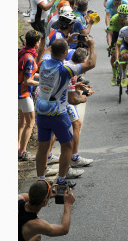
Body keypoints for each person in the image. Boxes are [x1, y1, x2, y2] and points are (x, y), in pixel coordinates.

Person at [34, 37, 97, 186]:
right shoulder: (66, 69)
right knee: (67, 145)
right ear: (64, 53)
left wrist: (64, 40)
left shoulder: (43, 62)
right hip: (58, 113)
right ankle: (61, 179)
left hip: (41, 111)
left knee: (42, 148)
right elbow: (91, 63)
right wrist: (92, 45)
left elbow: (48, 49)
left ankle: (40, 179)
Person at [64, 48, 95, 168]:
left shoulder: (67, 64)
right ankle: (74, 158)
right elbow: (72, 100)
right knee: (76, 124)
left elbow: (66, 85)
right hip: (60, 102)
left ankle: (49, 156)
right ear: (83, 60)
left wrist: (76, 86)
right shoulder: (73, 72)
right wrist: (83, 98)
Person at [18, 29, 41, 161]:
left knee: (22, 121)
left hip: (18, 90)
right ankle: (23, 152)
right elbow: (28, 80)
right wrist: (43, 84)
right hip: (23, 93)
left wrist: (42, 77)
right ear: (37, 43)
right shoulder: (30, 58)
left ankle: (18, 148)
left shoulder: (23, 52)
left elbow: (31, 75)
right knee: (31, 121)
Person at [107, 4, 128, 85]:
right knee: (114, 56)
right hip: (116, 35)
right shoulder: (114, 19)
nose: (122, 18)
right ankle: (114, 76)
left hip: (127, 35)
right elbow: (110, 34)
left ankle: (127, 66)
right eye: (120, 15)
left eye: (125, 16)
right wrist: (110, 45)